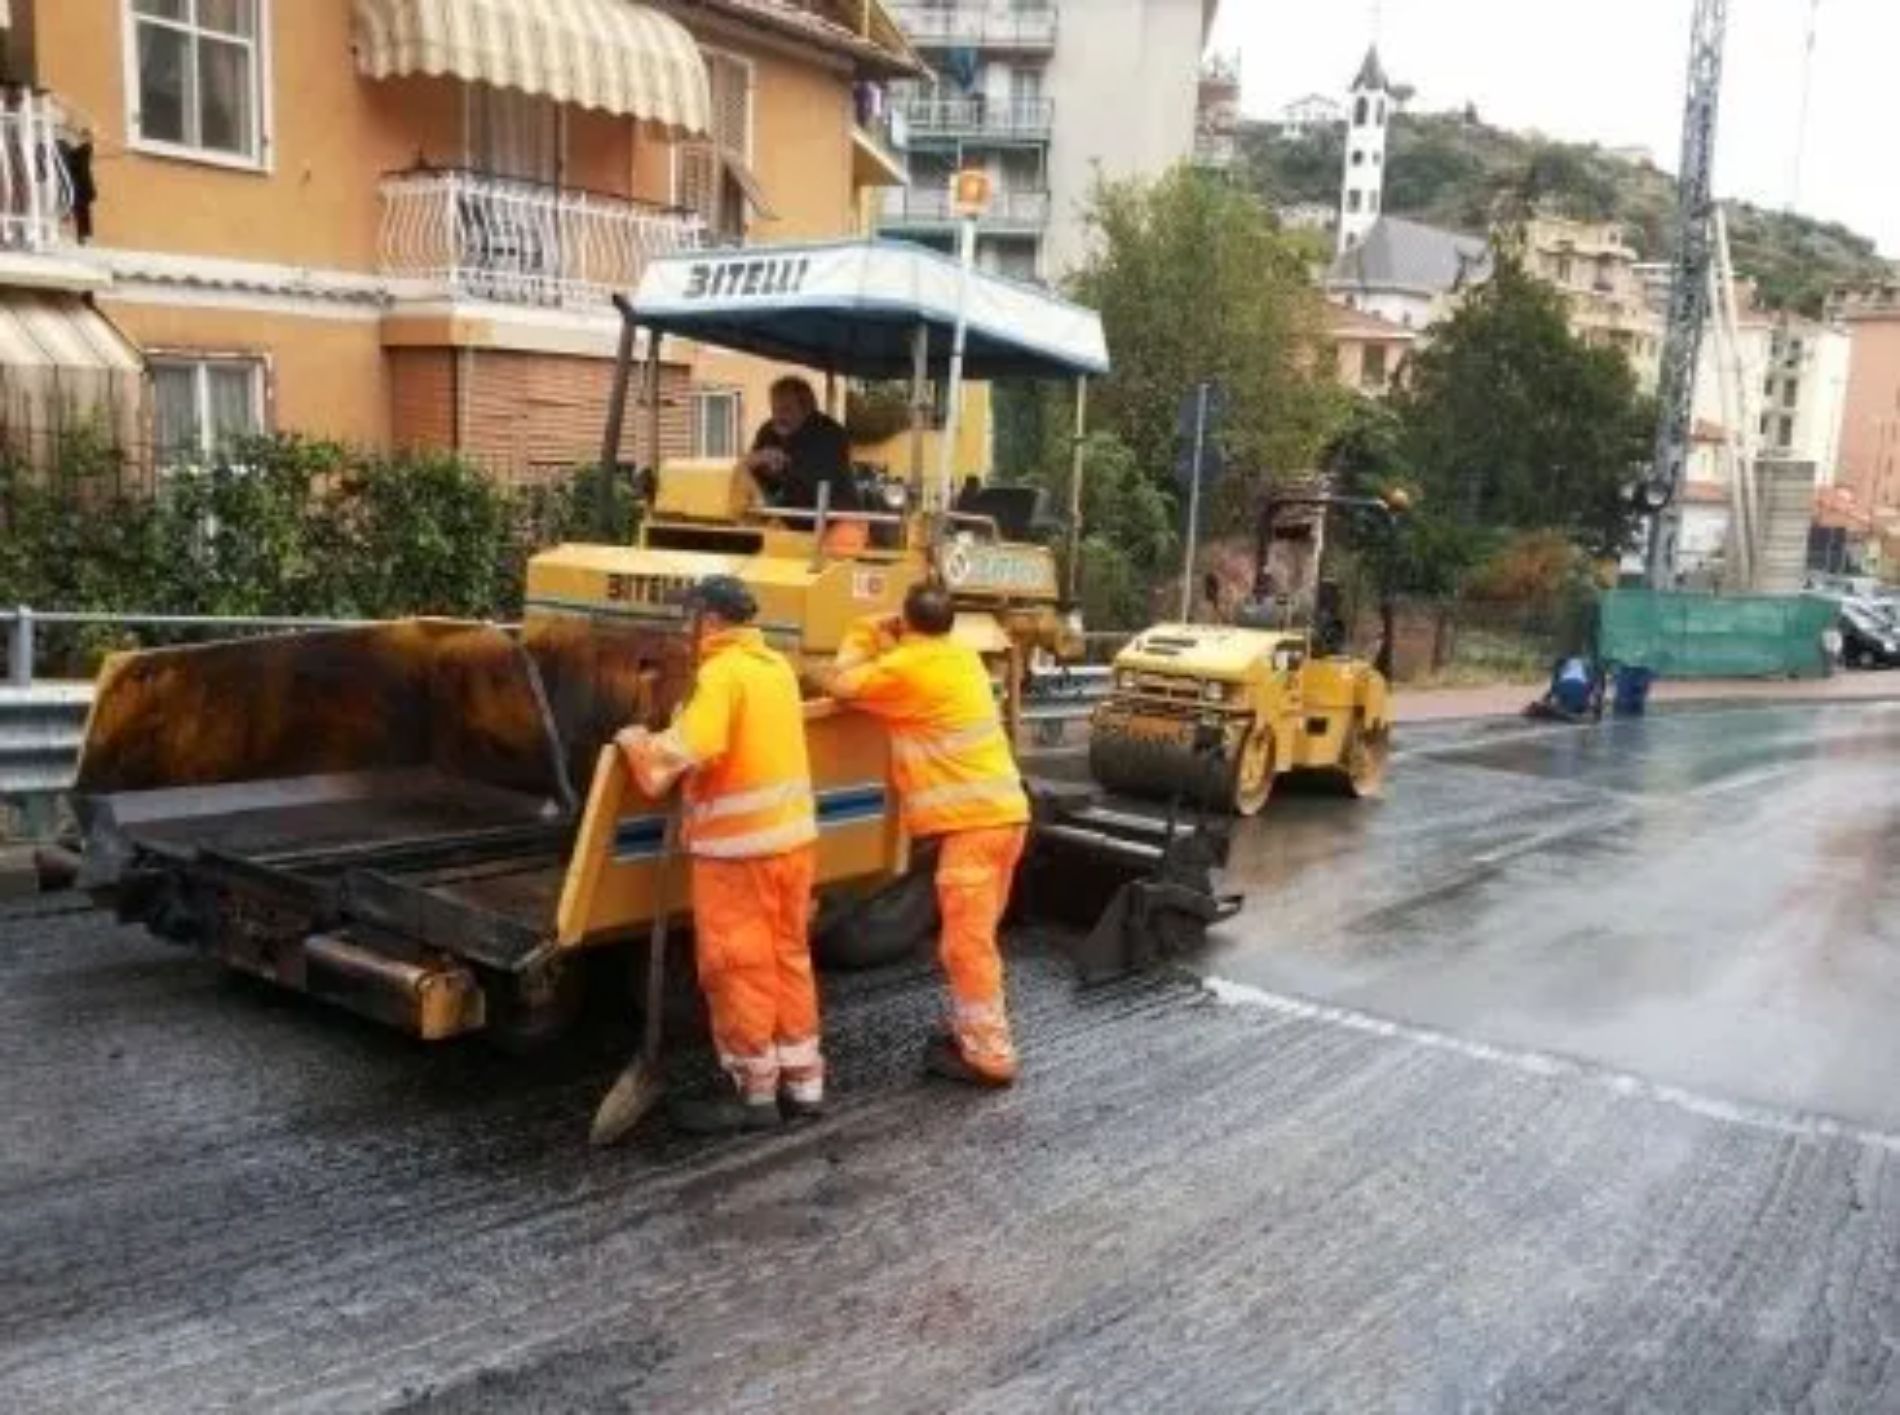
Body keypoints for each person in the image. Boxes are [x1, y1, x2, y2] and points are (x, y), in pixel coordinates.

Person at [615, 575, 824, 1135]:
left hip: (739, 854)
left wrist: (639, 744)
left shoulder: (721, 674)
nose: (686, 630)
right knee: (788, 958)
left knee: (738, 967)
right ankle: (803, 1085)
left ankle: (753, 1095)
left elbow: (692, 747)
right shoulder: (774, 668)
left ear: (709, 621)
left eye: (690, 619)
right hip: (792, 845)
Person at [819, 583, 1029, 1087]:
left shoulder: (907, 670)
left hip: (973, 829)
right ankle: (971, 1035)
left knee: (966, 948)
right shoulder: (960, 660)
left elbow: (838, 682)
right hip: (1005, 819)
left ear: (906, 621)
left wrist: (865, 628)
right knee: (975, 943)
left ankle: (989, 1056)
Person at [744, 375, 862, 521]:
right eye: (774, 409)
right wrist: (756, 460)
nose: (778, 416)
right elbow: (753, 474)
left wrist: (783, 464)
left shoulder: (830, 434)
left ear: (807, 408)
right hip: (790, 519)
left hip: (837, 519)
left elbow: (820, 480)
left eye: (786, 409)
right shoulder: (768, 430)